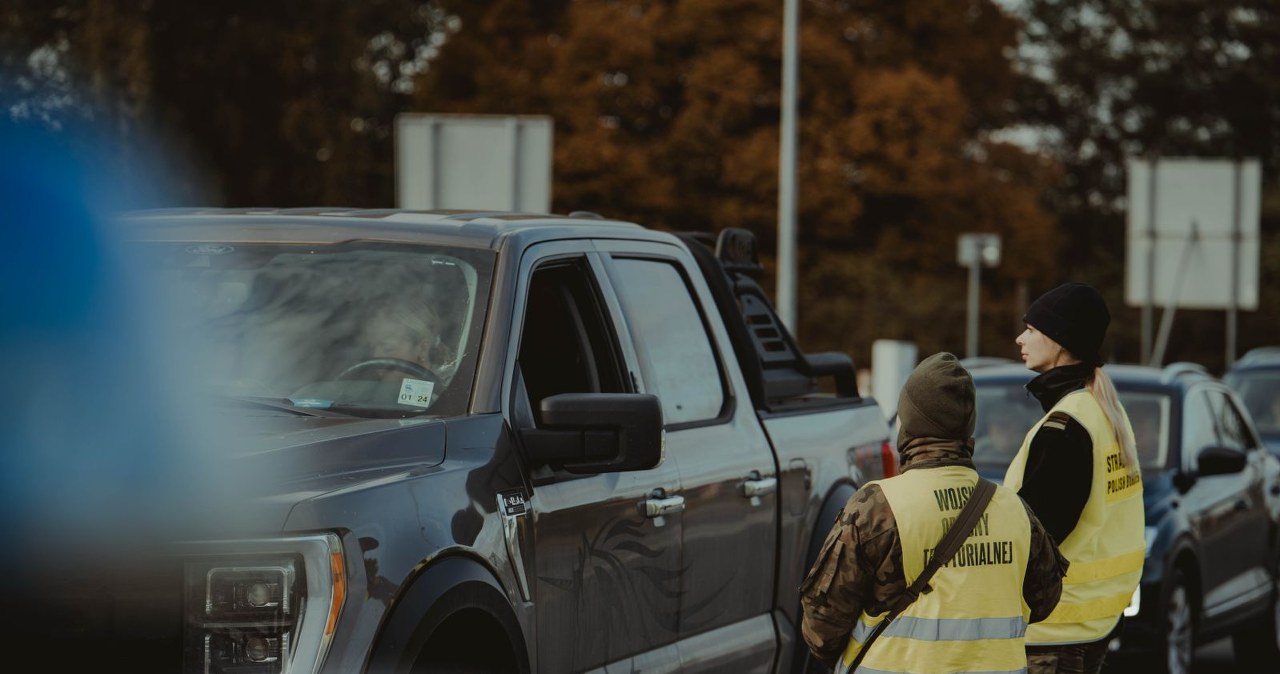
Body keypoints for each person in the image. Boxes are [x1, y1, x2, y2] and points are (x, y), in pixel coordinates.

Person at [801, 352, 1067, 674]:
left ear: (909, 421)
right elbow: (1045, 602)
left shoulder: (877, 507)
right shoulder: (1016, 511)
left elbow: (821, 628)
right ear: (967, 424)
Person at [1004, 282, 1145, 674]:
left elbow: (1034, 535)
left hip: (1054, 629)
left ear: (1060, 341)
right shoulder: (1103, 413)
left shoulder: (1066, 428)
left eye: (1031, 329)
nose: (1020, 338)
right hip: (1092, 621)